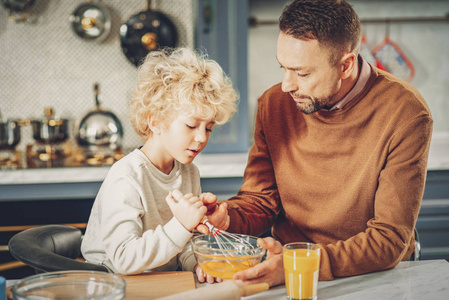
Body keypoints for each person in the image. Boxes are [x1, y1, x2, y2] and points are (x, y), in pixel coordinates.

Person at [206, 0, 433, 286]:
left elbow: (389, 239)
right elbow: (261, 200)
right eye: (283, 68)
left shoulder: (406, 113)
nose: (287, 85)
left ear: (346, 65)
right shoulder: (273, 104)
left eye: (302, 73)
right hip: (290, 268)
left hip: (373, 274)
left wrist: (299, 264)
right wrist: (229, 217)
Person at [81, 47, 237, 283]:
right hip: (111, 283)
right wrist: (182, 224)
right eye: (191, 125)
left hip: (161, 280)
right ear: (155, 122)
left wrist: (197, 262)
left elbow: (184, 242)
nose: (202, 138)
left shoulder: (188, 171)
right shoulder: (127, 176)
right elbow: (123, 259)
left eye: (208, 128)